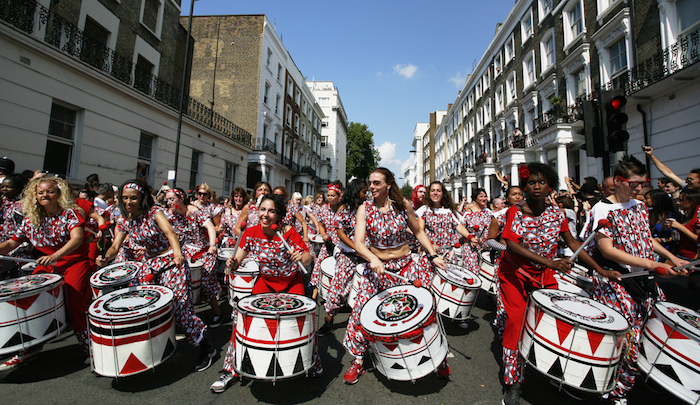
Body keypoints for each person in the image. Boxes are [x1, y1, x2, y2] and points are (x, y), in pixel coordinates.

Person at [580, 156, 688, 404]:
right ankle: (617, 393)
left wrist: (672, 258)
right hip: (617, 280)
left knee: (656, 332)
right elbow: (607, 250)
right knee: (629, 339)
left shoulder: (639, 207)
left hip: (645, 279)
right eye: (635, 183)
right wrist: (653, 264)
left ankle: (646, 377)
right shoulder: (603, 209)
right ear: (618, 182)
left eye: (644, 183)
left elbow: (647, 240)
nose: (640, 188)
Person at [499, 163, 604, 405]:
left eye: (542, 182)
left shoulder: (557, 214)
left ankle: (552, 369)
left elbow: (573, 243)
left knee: (553, 321)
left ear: (550, 186)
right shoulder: (515, 211)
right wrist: (551, 261)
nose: (536, 186)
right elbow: (513, 245)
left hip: (543, 276)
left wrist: (599, 269)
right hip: (514, 274)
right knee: (516, 321)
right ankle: (513, 380)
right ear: (525, 187)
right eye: (531, 182)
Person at [342, 167, 449, 385]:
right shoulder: (364, 209)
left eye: (376, 183)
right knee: (361, 310)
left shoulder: (403, 206)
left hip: (407, 266)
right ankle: (358, 360)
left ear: (388, 185)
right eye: (370, 182)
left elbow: (419, 232)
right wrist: (372, 259)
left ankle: (439, 358)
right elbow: (359, 243)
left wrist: (434, 254)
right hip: (378, 269)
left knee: (425, 309)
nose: (371, 187)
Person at [97, 179, 215, 372]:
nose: (129, 202)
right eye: (125, 198)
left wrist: (177, 253)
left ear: (142, 198)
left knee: (179, 307)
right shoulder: (125, 218)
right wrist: (106, 258)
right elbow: (115, 246)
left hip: (170, 260)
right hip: (149, 263)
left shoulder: (155, 212)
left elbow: (170, 233)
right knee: (144, 305)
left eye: (133, 198)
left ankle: (205, 346)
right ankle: (156, 347)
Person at [210, 194, 322, 392]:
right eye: (263, 210)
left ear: (278, 215)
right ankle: (231, 370)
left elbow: (306, 257)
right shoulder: (251, 232)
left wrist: (301, 257)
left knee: (303, 321)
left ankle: (312, 362)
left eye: (271, 211)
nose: (266, 215)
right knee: (242, 320)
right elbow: (238, 258)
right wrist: (233, 262)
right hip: (266, 283)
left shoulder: (288, 232)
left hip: (291, 283)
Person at [0, 176, 93, 369]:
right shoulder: (30, 220)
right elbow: (11, 243)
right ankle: (30, 347)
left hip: (74, 263)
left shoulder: (71, 214)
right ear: (35, 195)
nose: (45, 195)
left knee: (75, 301)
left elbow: (77, 239)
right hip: (49, 266)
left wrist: (55, 255)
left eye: (50, 191)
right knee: (31, 300)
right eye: (41, 192)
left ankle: (90, 348)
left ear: (59, 194)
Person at [416, 181, 477, 328]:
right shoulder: (423, 210)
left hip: (449, 254)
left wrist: (470, 237)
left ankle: (458, 315)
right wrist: (430, 245)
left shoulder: (449, 211)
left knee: (453, 285)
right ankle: (429, 317)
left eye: (438, 190)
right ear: (429, 194)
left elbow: (459, 226)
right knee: (429, 286)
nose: (435, 193)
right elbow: (420, 231)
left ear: (443, 193)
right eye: (432, 190)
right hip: (430, 255)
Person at [165, 188, 222, 327]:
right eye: (167, 199)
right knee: (180, 283)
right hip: (185, 251)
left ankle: (217, 313)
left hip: (204, 251)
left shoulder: (195, 212)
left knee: (205, 283)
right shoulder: (170, 215)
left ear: (181, 198)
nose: (169, 202)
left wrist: (212, 245)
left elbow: (210, 227)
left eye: (172, 199)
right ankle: (186, 317)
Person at [317, 179, 368, 336]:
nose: (366, 195)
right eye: (363, 192)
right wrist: (356, 248)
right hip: (347, 255)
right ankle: (329, 321)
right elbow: (340, 233)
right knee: (338, 289)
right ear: (356, 192)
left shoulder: (365, 208)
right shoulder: (344, 210)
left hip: (363, 255)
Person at [309, 182, 344, 299]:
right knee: (317, 268)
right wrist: (323, 234)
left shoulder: (344, 209)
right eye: (328, 195)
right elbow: (320, 223)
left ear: (339, 196)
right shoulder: (323, 209)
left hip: (341, 246)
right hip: (328, 245)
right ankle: (314, 297)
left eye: (332, 195)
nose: (329, 198)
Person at [0, 173, 30, 279]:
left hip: (18, 245)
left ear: (18, 189)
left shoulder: (20, 205)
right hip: (3, 242)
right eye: (2, 187)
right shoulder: (2, 203)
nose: (4, 189)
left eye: (8, 187)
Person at [460, 188, 492, 274]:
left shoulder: (489, 212)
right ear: (475, 198)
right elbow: (461, 230)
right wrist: (470, 239)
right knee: (472, 274)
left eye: (485, 196)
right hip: (471, 248)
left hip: (485, 248)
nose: (484, 198)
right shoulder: (469, 213)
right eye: (481, 196)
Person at [666, 187, 700, 261]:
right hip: (681, 255)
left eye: (681, 201)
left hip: (693, 258)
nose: (678, 203)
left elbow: (698, 239)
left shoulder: (696, 218)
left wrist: (680, 227)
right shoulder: (687, 217)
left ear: (692, 202)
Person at [646, 189, 681, 253]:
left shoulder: (671, 215)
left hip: (666, 250)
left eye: (647, 198)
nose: (645, 201)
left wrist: (661, 240)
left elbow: (676, 236)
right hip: (651, 249)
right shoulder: (648, 214)